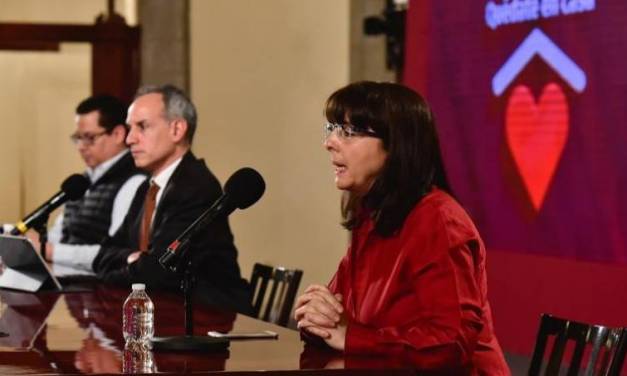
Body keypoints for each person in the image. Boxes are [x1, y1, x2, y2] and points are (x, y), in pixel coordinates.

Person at [294, 81, 510, 374]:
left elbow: (451, 343)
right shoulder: (372, 217)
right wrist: (315, 318)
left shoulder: (439, 221)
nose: (330, 142)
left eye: (348, 131)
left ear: (396, 145)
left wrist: (350, 336)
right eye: (331, 129)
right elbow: (337, 318)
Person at [92, 84, 251, 313]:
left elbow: (158, 271)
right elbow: (103, 254)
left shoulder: (196, 186)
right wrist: (131, 259)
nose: (129, 139)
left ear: (177, 129)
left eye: (142, 127)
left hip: (209, 316)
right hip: (161, 311)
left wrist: (130, 262)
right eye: (130, 128)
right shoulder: (147, 188)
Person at [33, 95, 146, 273]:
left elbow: (115, 251)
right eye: (78, 138)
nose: (81, 146)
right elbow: (60, 232)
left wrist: (50, 251)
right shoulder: (81, 181)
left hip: (103, 290)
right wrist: (32, 247)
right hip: (70, 286)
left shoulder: (135, 181)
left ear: (118, 134)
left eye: (89, 137)